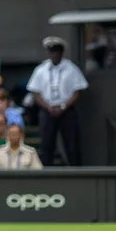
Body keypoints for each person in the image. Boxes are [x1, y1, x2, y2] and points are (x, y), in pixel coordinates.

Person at [26, 37, 88, 166]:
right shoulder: (41, 70)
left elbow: (78, 91)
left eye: (56, 51)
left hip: (66, 110)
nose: (54, 54)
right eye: (51, 51)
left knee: (71, 144)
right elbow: (36, 92)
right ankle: (47, 173)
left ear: (61, 52)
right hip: (47, 109)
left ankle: (77, 173)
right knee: (46, 145)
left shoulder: (71, 69)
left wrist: (64, 106)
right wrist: (48, 106)